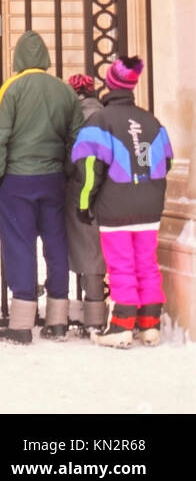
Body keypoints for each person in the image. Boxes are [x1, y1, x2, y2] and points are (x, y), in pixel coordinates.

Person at [70, 57, 174, 348]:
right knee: (147, 263)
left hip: (115, 207)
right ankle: (150, 323)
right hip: (150, 207)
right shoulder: (151, 120)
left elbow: (89, 168)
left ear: (110, 85)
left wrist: (84, 203)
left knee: (121, 265)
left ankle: (122, 325)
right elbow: (166, 160)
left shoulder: (100, 120)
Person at [0, 30, 83, 344]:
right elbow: (76, 139)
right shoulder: (64, 91)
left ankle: (22, 322)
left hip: (17, 179)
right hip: (53, 177)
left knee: (20, 245)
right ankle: (57, 319)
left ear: (18, 58)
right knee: (55, 244)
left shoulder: (12, 88)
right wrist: (66, 170)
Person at [65, 73, 108, 334]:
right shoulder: (104, 114)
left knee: (87, 252)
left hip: (82, 191)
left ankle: (92, 316)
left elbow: (81, 163)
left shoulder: (77, 119)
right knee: (97, 251)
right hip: (110, 193)